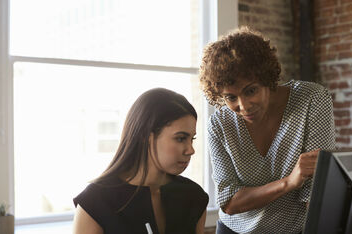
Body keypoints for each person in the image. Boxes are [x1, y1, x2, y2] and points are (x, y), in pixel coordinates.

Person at [199, 26, 336, 233]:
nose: (243, 106)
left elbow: (314, 191)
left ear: (267, 78)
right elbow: (228, 202)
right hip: (234, 231)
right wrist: (288, 182)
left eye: (251, 90)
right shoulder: (219, 125)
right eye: (230, 97)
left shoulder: (311, 100)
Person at [72, 88, 209, 234]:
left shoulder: (194, 197)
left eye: (191, 139)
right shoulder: (95, 202)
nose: (190, 150)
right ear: (145, 136)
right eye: (180, 138)